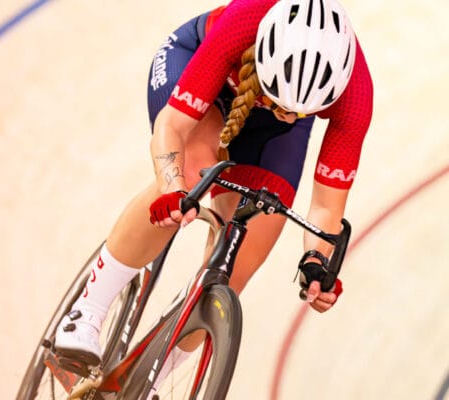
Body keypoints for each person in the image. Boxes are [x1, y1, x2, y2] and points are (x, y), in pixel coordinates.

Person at [54, 0, 373, 393]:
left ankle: (147, 378)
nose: (287, 115)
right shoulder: (243, 23)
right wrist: (172, 188)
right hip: (202, 76)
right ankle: (86, 312)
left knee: (243, 255)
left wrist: (316, 263)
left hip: (267, 136)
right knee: (192, 169)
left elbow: (326, 207)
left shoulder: (355, 96)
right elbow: (171, 127)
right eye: (280, 104)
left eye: (301, 112)